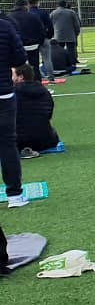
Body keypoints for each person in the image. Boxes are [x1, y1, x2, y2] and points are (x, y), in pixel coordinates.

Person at [0, 13, 25, 207]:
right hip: (3, 94)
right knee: (7, 144)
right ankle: (14, 195)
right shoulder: (5, 26)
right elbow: (19, 58)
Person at [12, 64, 58, 157]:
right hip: (46, 140)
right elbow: (49, 115)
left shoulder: (12, 93)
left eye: (12, 75)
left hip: (17, 141)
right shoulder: (44, 91)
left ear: (21, 77)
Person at [8, 0, 45, 74]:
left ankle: (21, 83)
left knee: (19, 68)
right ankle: (36, 82)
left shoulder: (9, 17)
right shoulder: (33, 16)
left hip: (17, 46)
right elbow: (41, 31)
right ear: (26, 6)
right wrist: (39, 42)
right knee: (35, 67)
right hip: (33, 45)